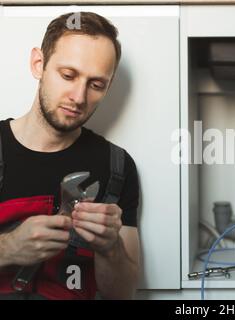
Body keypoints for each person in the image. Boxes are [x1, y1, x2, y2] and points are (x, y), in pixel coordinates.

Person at [0, 12, 140, 300]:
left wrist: (109, 247)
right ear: (38, 64)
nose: (78, 96)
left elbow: (123, 294)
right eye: (68, 75)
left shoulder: (117, 166)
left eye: (96, 84)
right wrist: (8, 248)